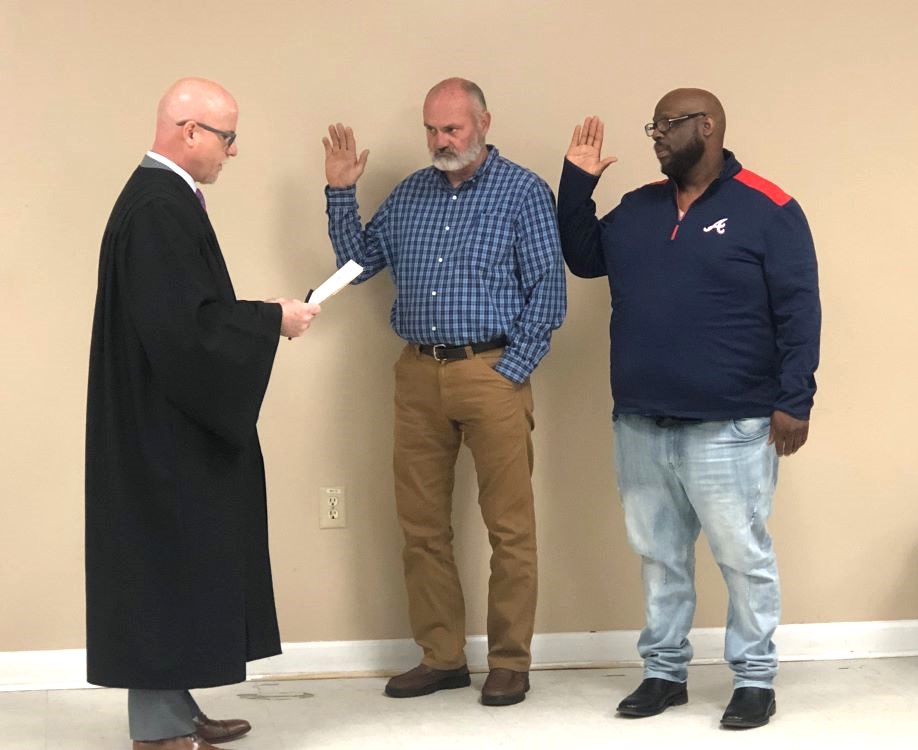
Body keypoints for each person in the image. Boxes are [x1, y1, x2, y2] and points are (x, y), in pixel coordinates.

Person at [557, 89, 820, 729]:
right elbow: (585, 257)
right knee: (660, 556)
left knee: (743, 557)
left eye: (669, 125)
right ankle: (664, 673)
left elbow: (799, 307)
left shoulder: (769, 206)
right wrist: (576, 183)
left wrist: (794, 399)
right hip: (642, 421)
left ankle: (754, 679)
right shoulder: (640, 207)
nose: (657, 136)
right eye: (653, 126)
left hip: (731, 425)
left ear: (707, 127)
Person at [85, 77, 321, 749]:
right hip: (161, 429)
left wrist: (259, 320)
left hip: (164, 417)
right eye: (228, 136)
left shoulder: (160, 200)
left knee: (174, 560)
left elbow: (185, 320)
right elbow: (185, 330)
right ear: (189, 132)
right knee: (161, 560)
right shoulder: (159, 206)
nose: (233, 152)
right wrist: (274, 318)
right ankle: (158, 729)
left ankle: (177, 709)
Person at [321, 78, 566, 706]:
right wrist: (341, 190)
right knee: (422, 527)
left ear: (483, 121)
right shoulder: (410, 195)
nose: (439, 141)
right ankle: (442, 657)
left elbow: (549, 291)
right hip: (417, 375)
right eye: (431, 130)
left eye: (452, 128)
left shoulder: (523, 192)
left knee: (509, 528)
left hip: (492, 371)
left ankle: (510, 661)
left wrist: (512, 371)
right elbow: (359, 264)